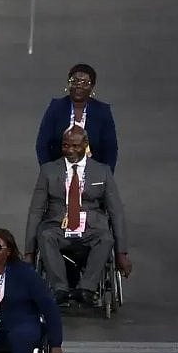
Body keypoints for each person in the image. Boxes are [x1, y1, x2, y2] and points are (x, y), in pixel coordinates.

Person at [24, 126, 132, 306]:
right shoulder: (48, 171)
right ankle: (60, 289)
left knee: (106, 238)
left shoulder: (102, 171)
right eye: (65, 146)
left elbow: (116, 212)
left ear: (85, 145)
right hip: (58, 227)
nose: (70, 150)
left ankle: (86, 288)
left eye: (75, 146)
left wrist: (122, 253)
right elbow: (35, 210)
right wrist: (29, 251)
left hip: (91, 229)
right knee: (46, 235)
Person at [35, 63, 119, 172]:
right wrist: (48, 173)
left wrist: (104, 177)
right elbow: (42, 144)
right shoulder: (56, 107)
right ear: (68, 84)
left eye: (85, 82)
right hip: (59, 173)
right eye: (74, 81)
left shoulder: (102, 111)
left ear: (92, 87)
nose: (79, 85)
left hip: (93, 174)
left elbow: (110, 150)